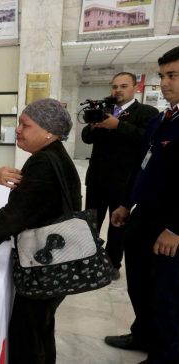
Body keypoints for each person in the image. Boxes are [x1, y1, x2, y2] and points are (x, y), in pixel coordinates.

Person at [0, 98, 81, 364]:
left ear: (48, 131)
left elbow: (15, 216)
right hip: (54, 258)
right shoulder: (51, 155)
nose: (18, 130)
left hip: (46, 264)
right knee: (39, 328)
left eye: (25, 124)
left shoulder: (45, 162)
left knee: (28, 334)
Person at [104, 47, 179, 364]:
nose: (164, 83)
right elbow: (142, 164)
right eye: (162, 76)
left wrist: (175, 228)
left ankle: (165, 355)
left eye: (172, 75)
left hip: (169, 222)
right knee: (140, 283)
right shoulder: (163, 119)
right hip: (143, 215)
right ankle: (143, 333)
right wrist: (125, 203)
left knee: (166, 294)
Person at [82, 72, 158, 280]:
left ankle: (112, 264)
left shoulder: (146, 112)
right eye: (115, 86)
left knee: (117, 228)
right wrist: (92, 123)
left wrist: (118, 126)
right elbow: (87, 139)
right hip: (96, 179)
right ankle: (89, 262)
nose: (118, 90)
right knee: (90, 225)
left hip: (123, 183)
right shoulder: (103, 110)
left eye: (123, 86)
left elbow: (146, 139)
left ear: (135, 88)